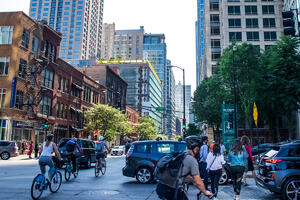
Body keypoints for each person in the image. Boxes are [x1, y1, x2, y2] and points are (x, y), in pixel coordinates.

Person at [156, 135, 212, 200]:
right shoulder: (192, 160)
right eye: (200, 148)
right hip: (171, 190)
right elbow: (198, 181)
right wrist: (205, 192)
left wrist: (192, 181)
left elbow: (183, 173)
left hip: (162, 187)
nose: (200, 151)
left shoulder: (182, 155)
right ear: (196, 148)